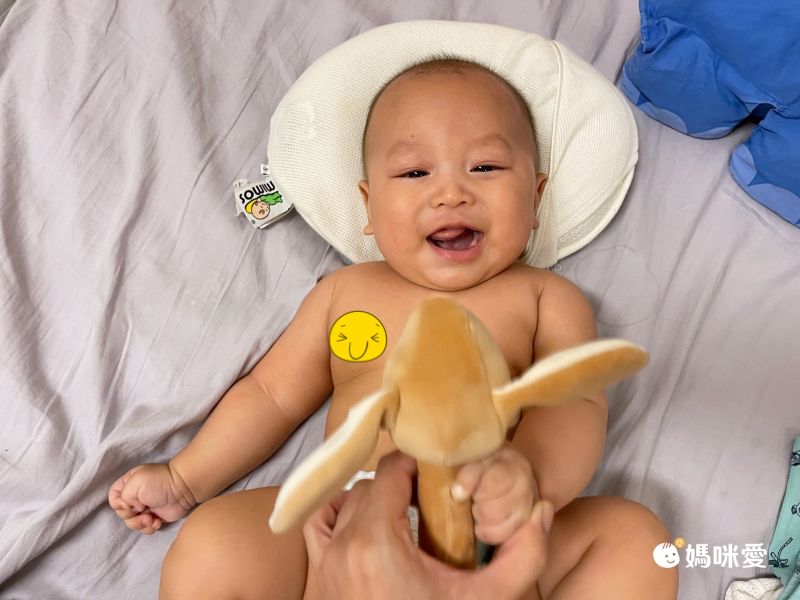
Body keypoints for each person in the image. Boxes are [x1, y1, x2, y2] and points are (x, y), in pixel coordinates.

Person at [108, 58, 679, 599]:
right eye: (413, 172)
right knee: (215, 542)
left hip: (493, 540)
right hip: (343, 531)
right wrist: (186, 479)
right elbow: (271, 395)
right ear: (369, 206)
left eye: (485, 167)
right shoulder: (345, 293)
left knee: (637, 540)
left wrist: (528, 479)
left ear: (535, 196)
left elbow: (574, 402)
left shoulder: (544, 298)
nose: (451, 193)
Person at [302, 451, 552, 600]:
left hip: (488, 525)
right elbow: (280, 401)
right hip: (341, 517)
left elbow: (570, 400)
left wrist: (524, 479)